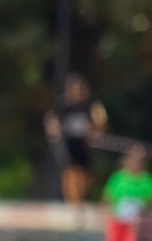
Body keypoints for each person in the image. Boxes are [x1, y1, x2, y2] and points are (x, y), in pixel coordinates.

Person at [45, 74, 108, 209]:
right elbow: (52, 121)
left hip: (85, 144)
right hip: (68, 143)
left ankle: (81, 198)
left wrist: (96, 132)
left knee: (86, 173)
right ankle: (73, 202)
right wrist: (55, 130)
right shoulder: (62, 104)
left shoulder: (91, 104)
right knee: (71, 171)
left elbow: (100, 121)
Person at [102, 142, 152, 241]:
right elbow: (107, 201)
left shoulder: (148, 181)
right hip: (118, 223)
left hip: (137, 227)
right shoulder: (117, 179)